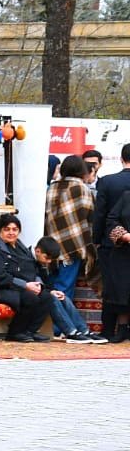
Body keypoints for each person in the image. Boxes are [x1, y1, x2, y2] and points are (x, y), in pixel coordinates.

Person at [0, 213, 50, 342]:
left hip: (18, 287)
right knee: (30, 298)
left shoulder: (20, 247)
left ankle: (30, 332)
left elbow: (33, 268)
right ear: (0, 231)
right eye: (7, 229)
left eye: (15, 229)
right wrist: (25, 285)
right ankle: (15, 332)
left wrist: (37, 284)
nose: (11, 233)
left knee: (46, 296)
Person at [43, 154, 95, 313]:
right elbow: (90, 217)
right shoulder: (82, 188)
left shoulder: (52, 187)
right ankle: (61, 324)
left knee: (51, 286)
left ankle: (50, 323)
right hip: (73, 244)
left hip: (51, 244)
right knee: (64, 289)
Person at [91, 145, 130, 341]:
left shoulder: (108, 181)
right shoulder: (123, 194)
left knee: (112, 288)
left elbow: (100, 214)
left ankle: (108, 330)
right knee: (117, 288)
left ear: (122, 158)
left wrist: (97, 239)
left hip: (110, 244)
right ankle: (120, 329)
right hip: (119, 243)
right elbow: (109, 217)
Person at [34, 235, 106, 342]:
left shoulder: (40, 261)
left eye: (50, 259)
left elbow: (44, 283)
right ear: (38, 251)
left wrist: (53, 291)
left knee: (63, 297)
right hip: (28, 291)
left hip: (39, 290)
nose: (48, 262)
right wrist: (49, 292)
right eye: (47, 258)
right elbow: (31, 281)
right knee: (52, 298)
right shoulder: (28, 259)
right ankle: (71, 332)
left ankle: (83, 330)